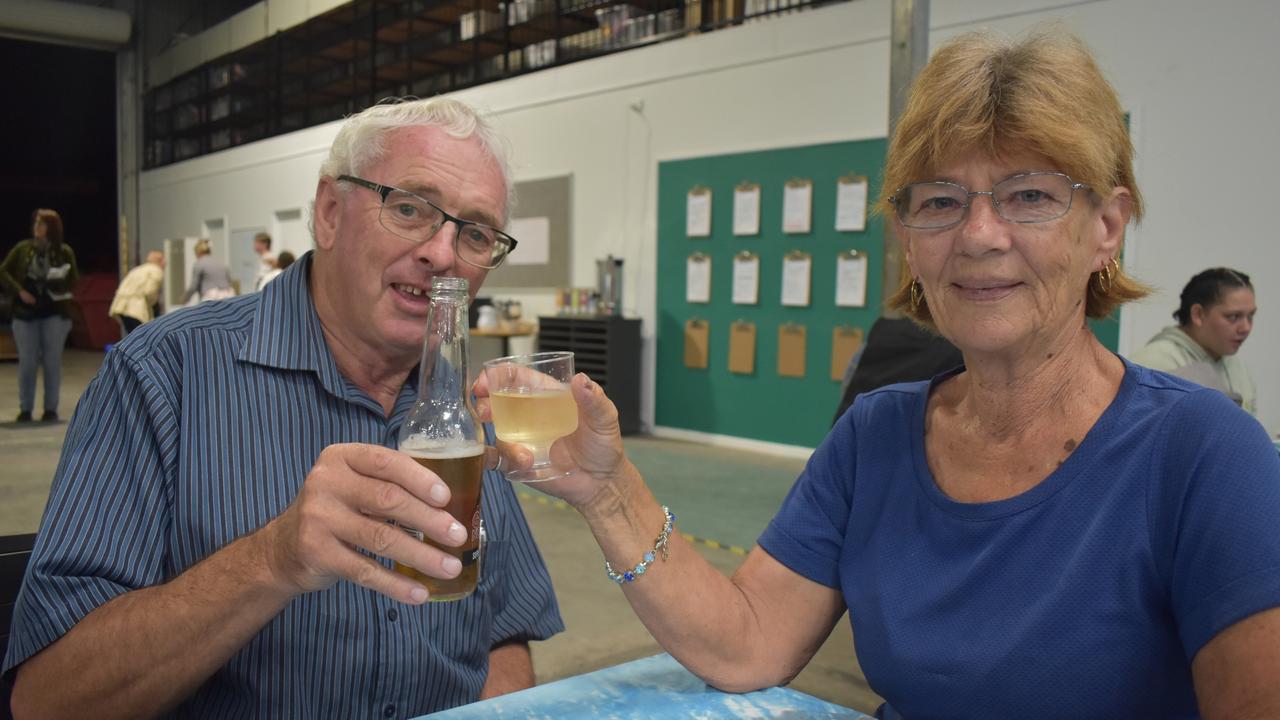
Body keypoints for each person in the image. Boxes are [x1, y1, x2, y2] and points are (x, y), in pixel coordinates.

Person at [477, 30, 1280, 718]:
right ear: (907, 236)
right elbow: (750, 639)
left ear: (1107, 227)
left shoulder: (1207, 455)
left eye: (1029, 195)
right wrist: (607, 487)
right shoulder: (878, 436)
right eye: (940, 201)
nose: (980, 234)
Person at [4, 97, 561, 718]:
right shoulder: (167, 373)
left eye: (476, 232)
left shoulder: (462, 408)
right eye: (409, 208)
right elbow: (48, 700)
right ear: (329, 213)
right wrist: (272, 559)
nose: (443, 254)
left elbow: (503, 630)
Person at [1130, 268, 1258, 415]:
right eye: (1233, 317)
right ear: (1198, 314)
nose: (1246, 328)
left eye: (1250, 316)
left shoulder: (1239, 370)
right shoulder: (1152, 364)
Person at [1, 208, 79, 423]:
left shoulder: (64, 251)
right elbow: (3, 271)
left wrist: (59, 284)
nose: (37, 227)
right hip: (25, 313)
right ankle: (25, 408)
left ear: (51, 228)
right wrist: (20, 291)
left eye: (42, 223)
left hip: (54, 312)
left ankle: (50, 409)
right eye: (35, 223)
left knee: (52, 362)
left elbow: (74, 279)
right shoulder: (23, 249)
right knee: (27, 362)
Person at [108, 250, 166, 336]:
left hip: (121, 307)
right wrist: (152, 307)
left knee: (133, 336)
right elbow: (150, 292)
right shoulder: (156, 271)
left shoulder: (137, 269)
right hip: (136, 309)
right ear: (160, 260)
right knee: (143, 338)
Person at [181, 238, 235, 304]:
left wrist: (185, 298)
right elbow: (229, 280)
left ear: (198, 252)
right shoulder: (220, 262)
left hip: (211, 297)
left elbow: (194, 286)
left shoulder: (199, 263)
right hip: (228, 296)